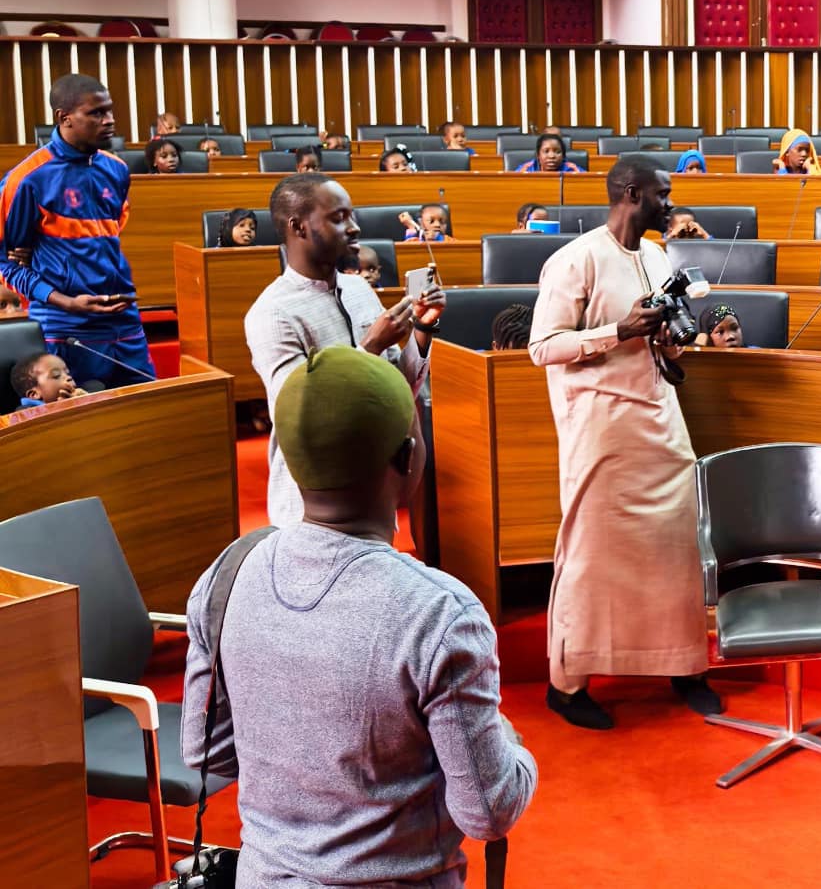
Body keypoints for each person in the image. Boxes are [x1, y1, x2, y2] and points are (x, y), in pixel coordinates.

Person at [180, 346, 535, 886]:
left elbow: (206, 753)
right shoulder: (438, 613)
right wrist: (513, 748)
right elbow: (488, 812)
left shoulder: (227, 575)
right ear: (408, 456)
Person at [528, 159, 722, 730]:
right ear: (632, 194)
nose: (671, 204)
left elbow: (659, 338)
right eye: (663, 194)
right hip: (601, 426)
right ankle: (567, 686)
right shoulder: (575, 259)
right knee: (591, 555)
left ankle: (683, 667)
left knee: (676, 548)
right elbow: (542, 347)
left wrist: (668, 336)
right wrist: (619, 330)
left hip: (659, 418)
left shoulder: (658, 255)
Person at [245, 173, 443, 527]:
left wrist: (422, 330)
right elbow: (300, 414)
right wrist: (370, 348)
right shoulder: (272, 313)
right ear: (298, 227)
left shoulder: (358, 289)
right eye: (339, 218)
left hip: (374, 486)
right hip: (313, 507)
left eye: (352, 216)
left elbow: (398, 386)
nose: (354, 228)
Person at [0, 73, 155, 389]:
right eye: (96, 113)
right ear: (64, 117)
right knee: (83, 414)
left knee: (146, 406)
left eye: (109, 110)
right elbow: (5, 264)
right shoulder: (26, 179)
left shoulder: (117, 169)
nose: (109, 120)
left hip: (123, 316)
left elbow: (106, 239)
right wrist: (64, 301)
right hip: (65, 323)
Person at [10, 350, 86, 411]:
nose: (69, 378)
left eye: (67, 373)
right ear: (34, 394)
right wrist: (61, 409)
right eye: (56, 375)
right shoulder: (25, 414)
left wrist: (86, 401)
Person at [515, 133, 583, 174]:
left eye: (557, 152)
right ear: (538, 155)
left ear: (563, 156)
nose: (551, 156)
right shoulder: (526, 169)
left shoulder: (572, 169)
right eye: (546, 151)